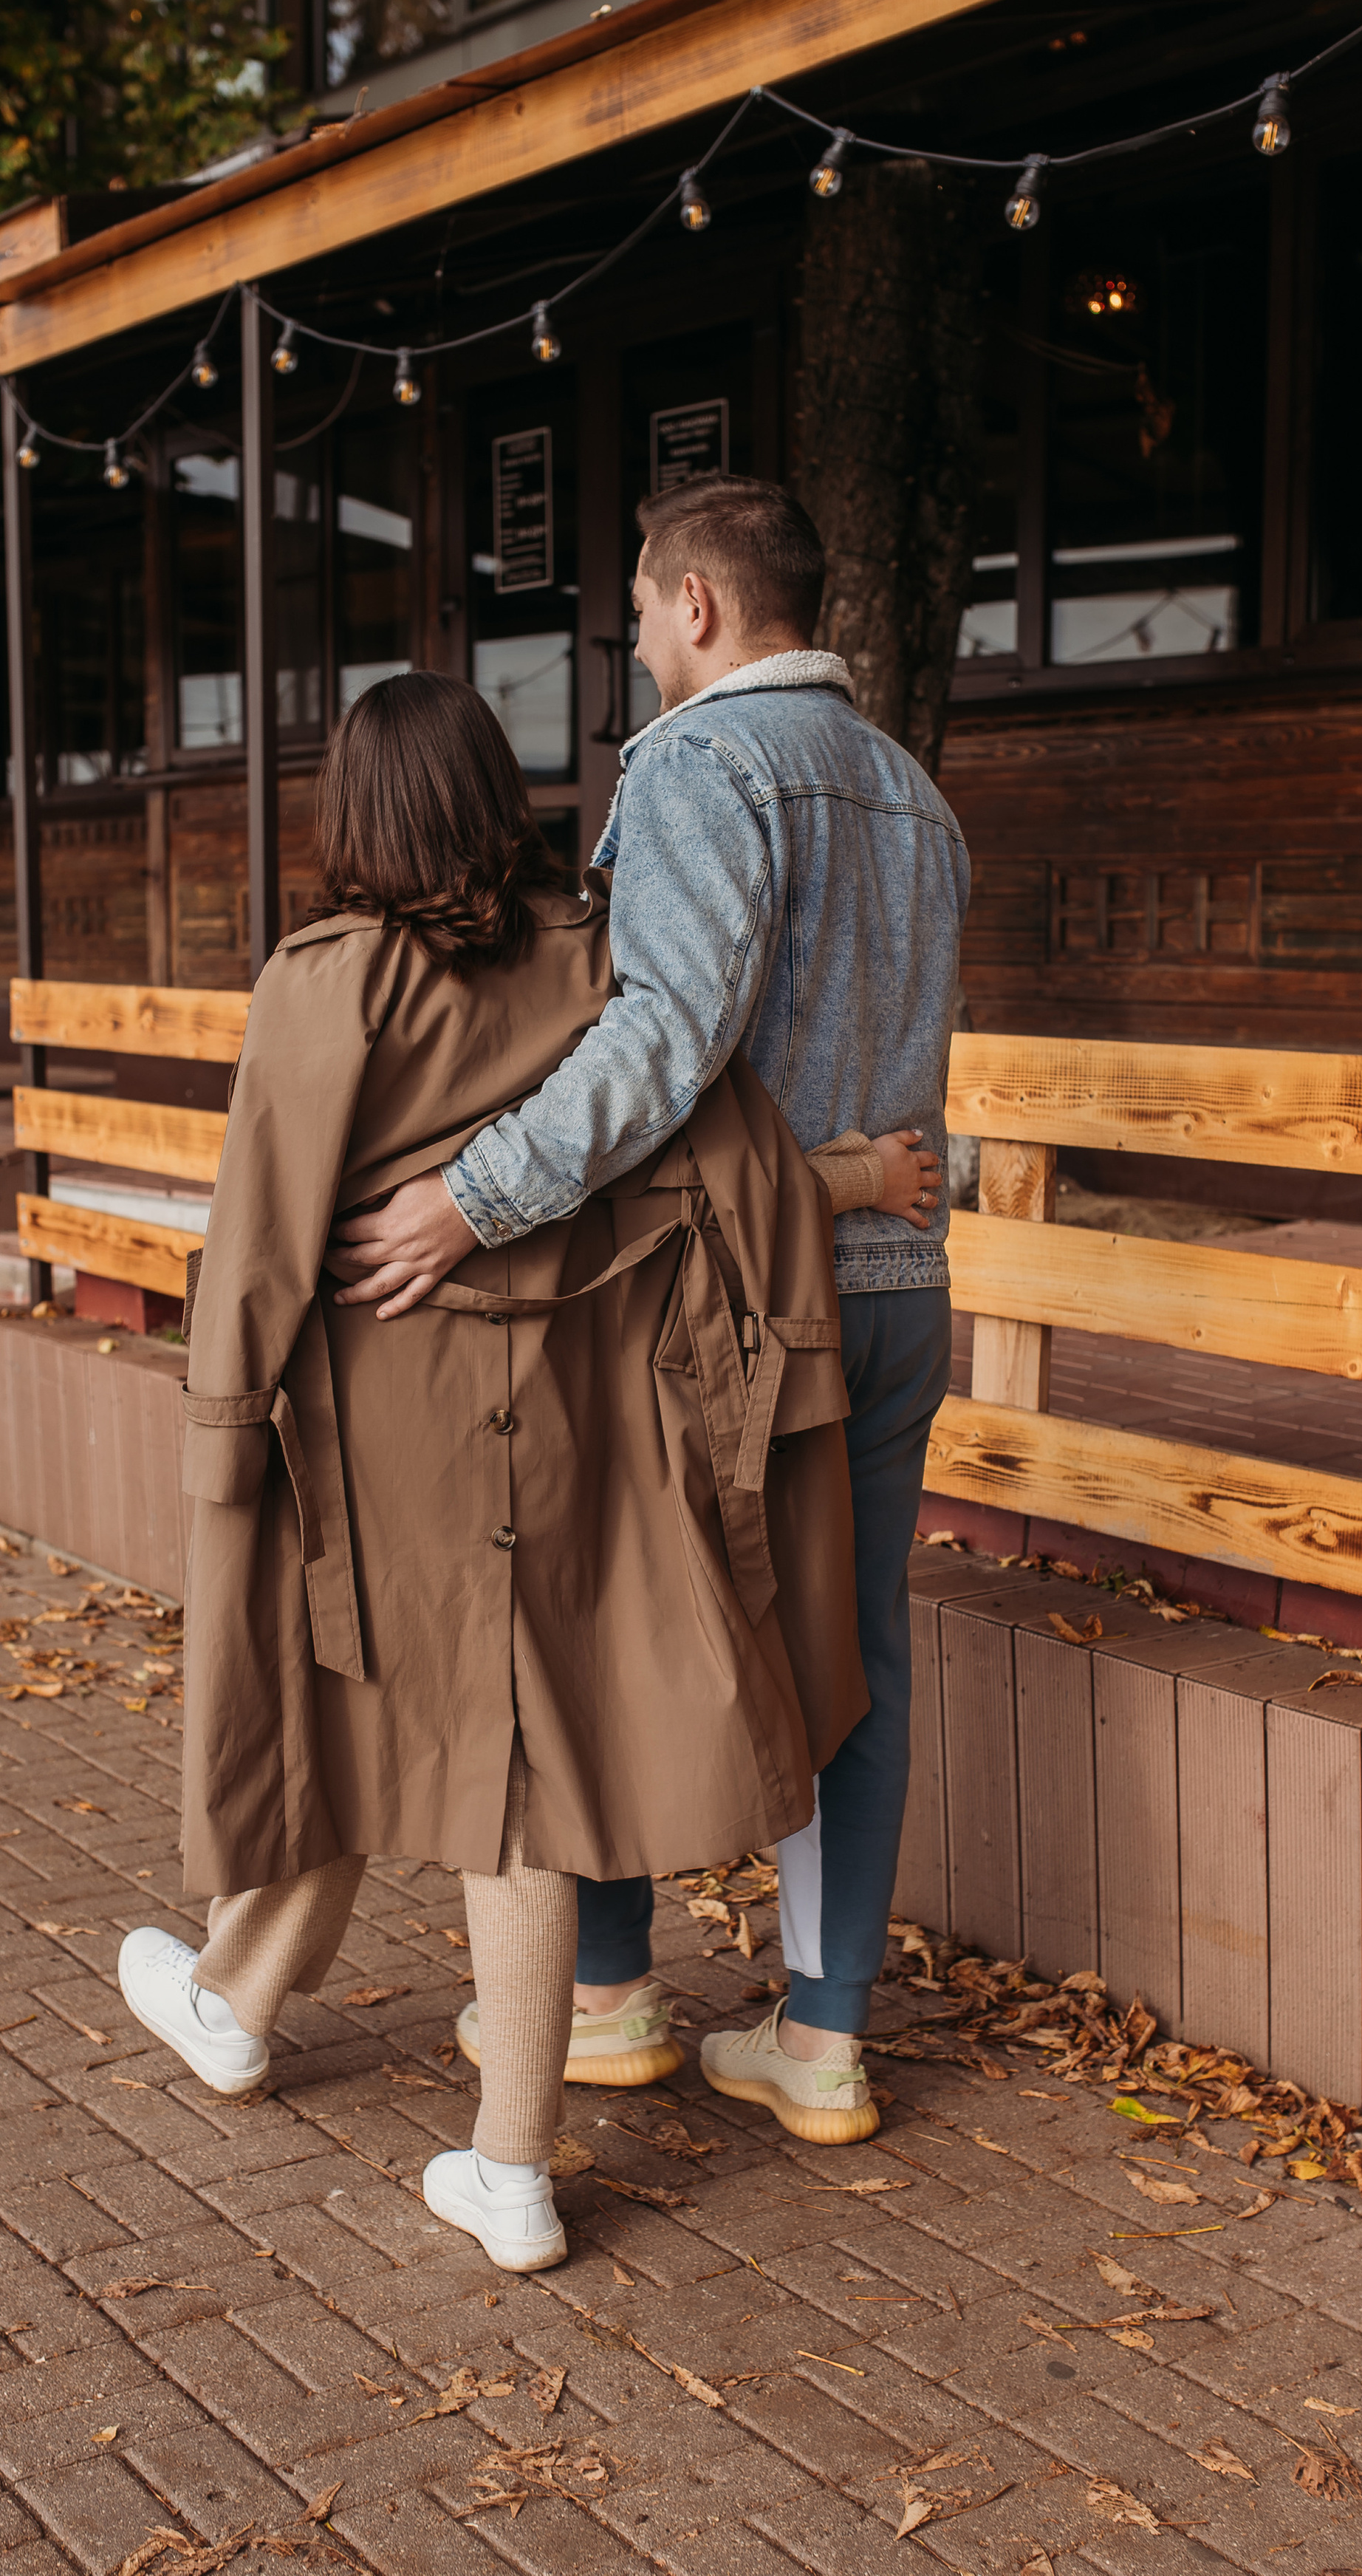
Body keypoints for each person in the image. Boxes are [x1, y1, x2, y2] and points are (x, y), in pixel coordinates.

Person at [117, 671, 932, 2271]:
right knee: (521, 1775)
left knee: (358, 1699)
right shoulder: (594, 960)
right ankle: (480, 2155)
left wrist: (222, 1440)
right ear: (500, 793)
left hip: (379, 1435)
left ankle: (243, 2012)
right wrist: (855, 1176)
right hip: (569, 1423)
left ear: (350, 809)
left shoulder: (326, 978)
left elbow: (257, 1247)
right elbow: (714, 1168)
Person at [329, 479, 970, 2145]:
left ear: (694, 601)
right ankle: (821, 2040)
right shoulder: (913, 792)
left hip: (731, 1297)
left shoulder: (695, 763)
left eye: (633, 613)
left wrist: (469, 1197)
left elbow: (657, 1041)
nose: (634, 646)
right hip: (896, 1286)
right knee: (858, 1659)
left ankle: (605, 1998)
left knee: (603, 1610)